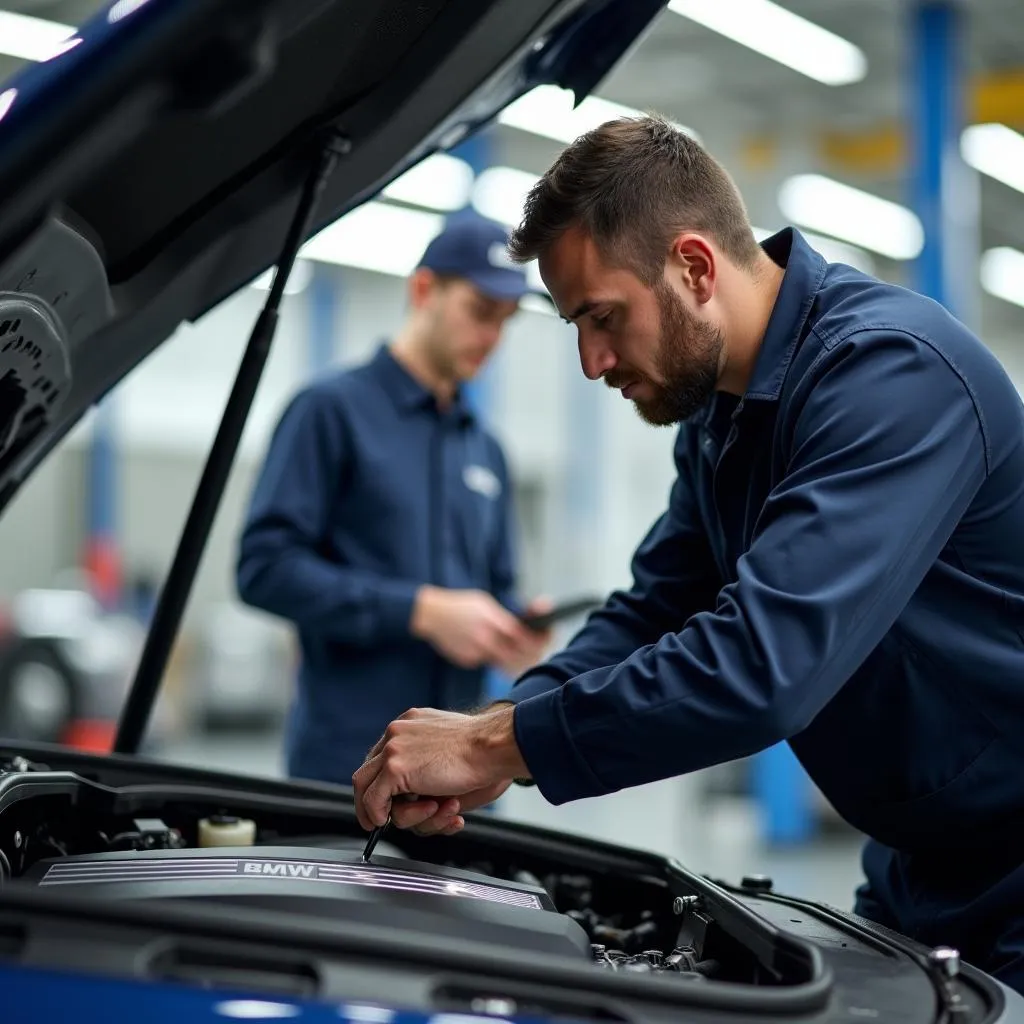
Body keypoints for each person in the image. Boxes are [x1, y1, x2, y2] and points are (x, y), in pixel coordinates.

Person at [352, 116, 1024, 988]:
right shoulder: (719, 416)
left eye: (603, 317)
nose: (592, 361)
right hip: (915, 863)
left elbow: (762, 666)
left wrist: (497, 746)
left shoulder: (892, 378)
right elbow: (655, 606)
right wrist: (502, 729)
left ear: (694, 267)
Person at [236, 214, 552, 785]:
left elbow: (497, 585)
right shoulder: (329, 412)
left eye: (505, 321)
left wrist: (512, 623)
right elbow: (263, 568)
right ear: (424, 290)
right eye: (481, 311)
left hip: (461, 778)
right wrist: (421, 612)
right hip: (344, 769)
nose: (492, 338)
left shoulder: (486, 449)